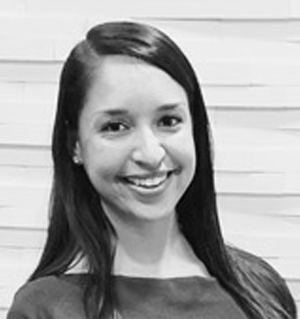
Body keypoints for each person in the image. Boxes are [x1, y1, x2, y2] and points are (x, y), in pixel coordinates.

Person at [7, 21, 296, 319]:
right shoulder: (44, 308)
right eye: (115, 126)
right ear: (75, 144)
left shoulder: (260, 291)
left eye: (169, 121)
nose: (150, 153)